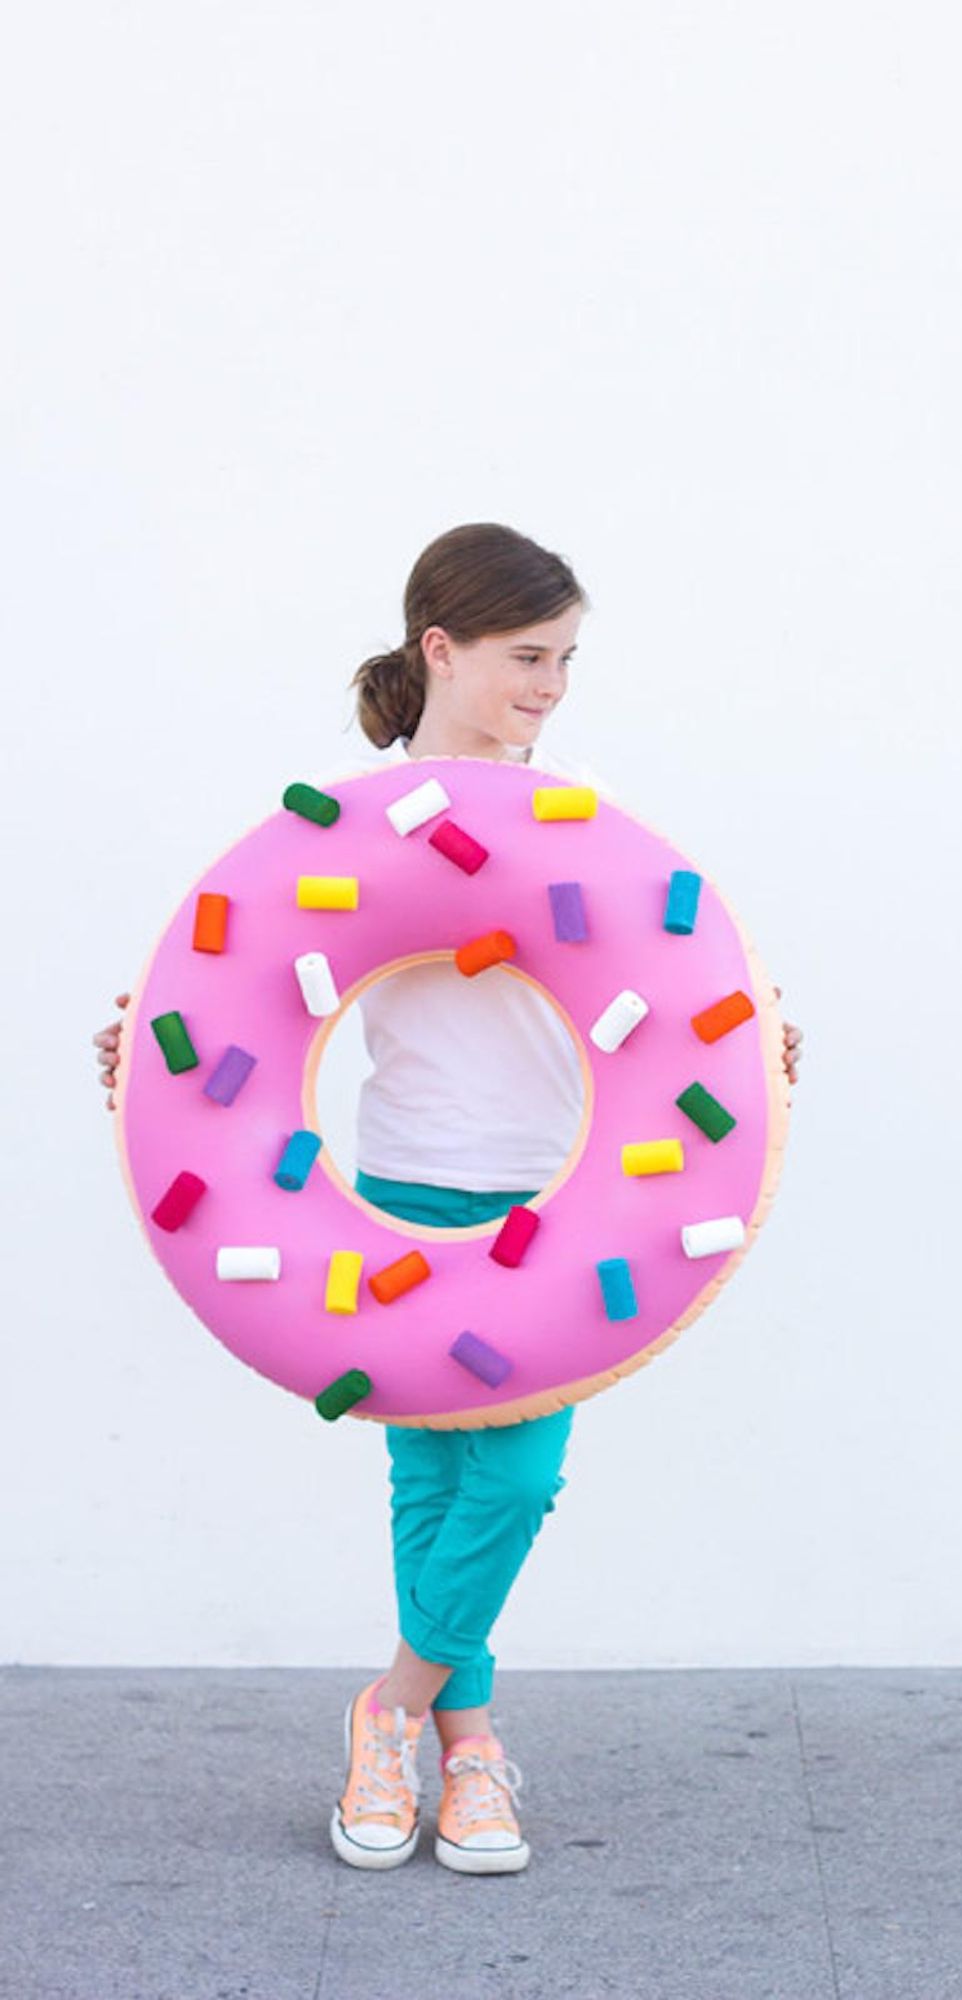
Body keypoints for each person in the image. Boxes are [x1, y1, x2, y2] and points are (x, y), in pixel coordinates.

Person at [92, 522, 803, 1876]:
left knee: (518, 1475)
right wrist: (143, 1062)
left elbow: (693, 1013)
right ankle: (471, 1759)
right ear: (442, 649)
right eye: (530, 656)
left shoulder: (583, 825)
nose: (553, 684)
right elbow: (221, 1004)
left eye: (568, 659)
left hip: (569, 1196)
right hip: (399, 1183)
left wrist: (760, 1058)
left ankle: (390, 1712)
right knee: (429, 1480)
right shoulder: (335, 827)